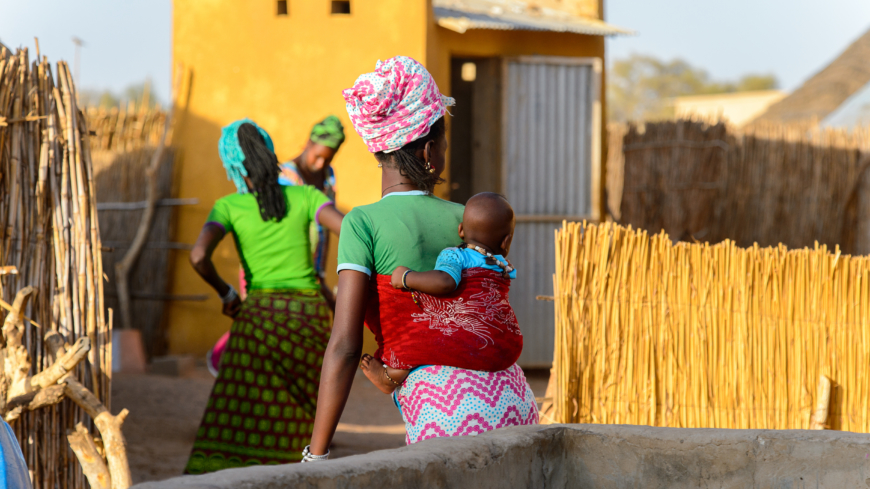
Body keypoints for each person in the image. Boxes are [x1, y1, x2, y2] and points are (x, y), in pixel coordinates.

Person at [304, 57, 537, 463]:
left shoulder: (363, 223)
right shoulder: (466, 220)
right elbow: (485, 308)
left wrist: (316, 454)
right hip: (513, 395)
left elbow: (344, 346)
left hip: (441, 405)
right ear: (430, 150)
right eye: (444, 143)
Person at [185, 119, 343, 474]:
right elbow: (349, 229)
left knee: (244, 421)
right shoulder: (307, 196)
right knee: (300, 420)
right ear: (272, 156)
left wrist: (227, 293)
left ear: (233, 166)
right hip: (308, 319)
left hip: (258, 320)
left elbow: (198, 256)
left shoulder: (228, 207)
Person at [207, 116, 346, 376]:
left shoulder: (327, 178)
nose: (320, 164)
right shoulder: (286, 178)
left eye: (328, 159)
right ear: (308, 143)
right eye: (317, 156)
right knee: (265, 324)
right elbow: (275, 231)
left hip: (307, 269)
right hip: (276, 266)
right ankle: (223, 359)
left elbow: (325, 231)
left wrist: (322, 273)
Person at [359, 192, 519, 393]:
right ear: (506, 242)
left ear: (460, 230)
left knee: (416, 342)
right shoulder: (503, 265)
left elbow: (445, 282)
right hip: (501, 345)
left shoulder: (455, 255)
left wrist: (406, 277)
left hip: (466, 339)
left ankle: (389, 377)